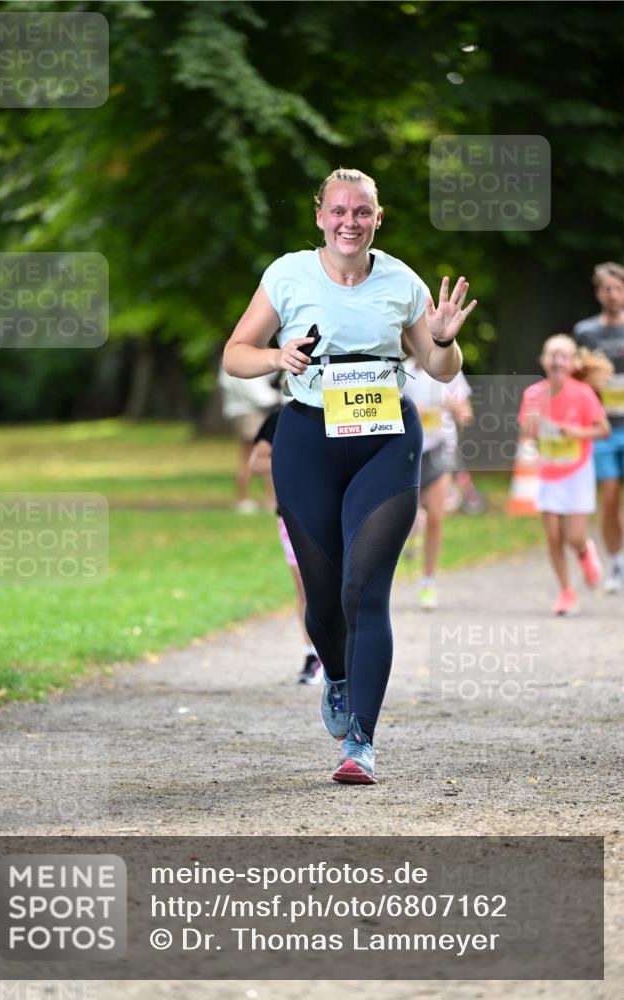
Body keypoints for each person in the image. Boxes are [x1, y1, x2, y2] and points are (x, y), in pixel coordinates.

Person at [223, 167, 476, 784]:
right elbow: (235, 355)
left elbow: (440, 369)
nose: (349, 222)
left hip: (385, 439)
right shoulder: (286, 274)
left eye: (361, 211)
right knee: (325, 600)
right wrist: (275, 356)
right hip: (307, 438)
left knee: (365, 588)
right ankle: (335, 674)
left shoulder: (401, 280)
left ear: (377, 218)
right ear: (320, 217)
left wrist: (442, 339)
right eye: (338, 211)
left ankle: (361, 741)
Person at [517, 335, 610, 615]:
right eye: (552, 355)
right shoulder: (533, 394)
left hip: (577, 471)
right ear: (543, 361)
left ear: (570, 363)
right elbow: (525, 437)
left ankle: (584, 552)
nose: (557, 360)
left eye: (563, 356)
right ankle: (566, 592)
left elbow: (603, 429)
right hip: (549, 473)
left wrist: (578, 433)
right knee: (554, 534)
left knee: (574, 537)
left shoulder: (582, 393)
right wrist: (531, 431)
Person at [249, 405, 323, 684]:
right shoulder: (278, 419)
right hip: (291, 515)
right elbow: (256, 462)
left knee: (341, 585)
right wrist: (291, 460)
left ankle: (342, 654)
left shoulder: (338, 409)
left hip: (335, 512)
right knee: (305, 587)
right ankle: (312, 654)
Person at [402, 355, 473, 610]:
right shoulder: (404, 371)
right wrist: (411, 409)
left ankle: (428, 581)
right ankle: (412, 533)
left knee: (436, 516)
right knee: (407, 515)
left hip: (440, 450)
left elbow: (466, 414)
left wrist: (453, 406)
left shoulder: (451, 373)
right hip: (408, 451)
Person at [573, 262, 624, 593]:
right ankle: (616, 563)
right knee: (608, 500)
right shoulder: (586, 332)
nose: (614, 294)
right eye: (607, 288)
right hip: (603, 428)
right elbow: (577, 380)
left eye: (619, 288)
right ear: (597, 292)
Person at [218, 364, 279, 513]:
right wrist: (277, 397)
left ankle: (248, 498)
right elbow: (258, 393)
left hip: (241, 411)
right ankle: (264, 499)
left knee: (248, 455)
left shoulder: (229, 357)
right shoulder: (245, 356)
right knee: (261, 454)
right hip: (252, 412)